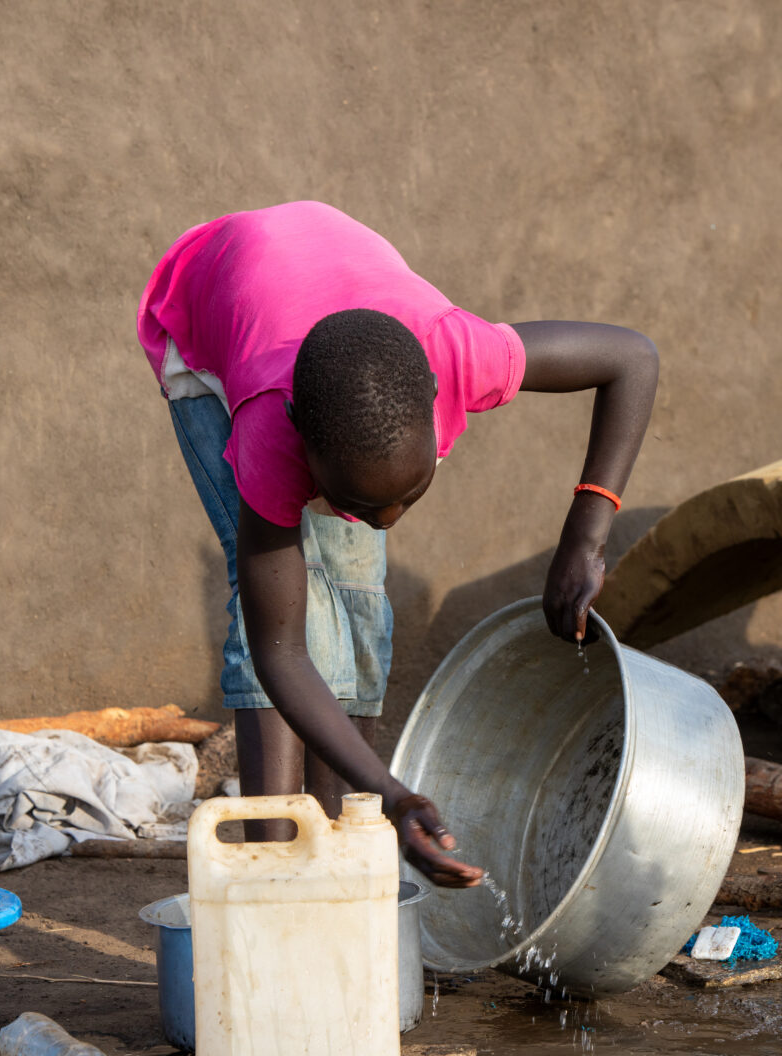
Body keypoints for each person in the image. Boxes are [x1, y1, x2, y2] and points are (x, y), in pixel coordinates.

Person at [137, 201, 658, 889]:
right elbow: (281, 650)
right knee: (277, 608)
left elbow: (632, 360)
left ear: (439, 398)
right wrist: (393, 792)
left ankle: (342, 850)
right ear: (302, 442)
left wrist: (584, 540)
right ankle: (274, 871)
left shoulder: (462, 353)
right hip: (204, 308)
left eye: (408, 495)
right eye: (357, 503)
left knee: (351, 592)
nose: (385, 523)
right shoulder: (267, 427)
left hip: (331, 291)